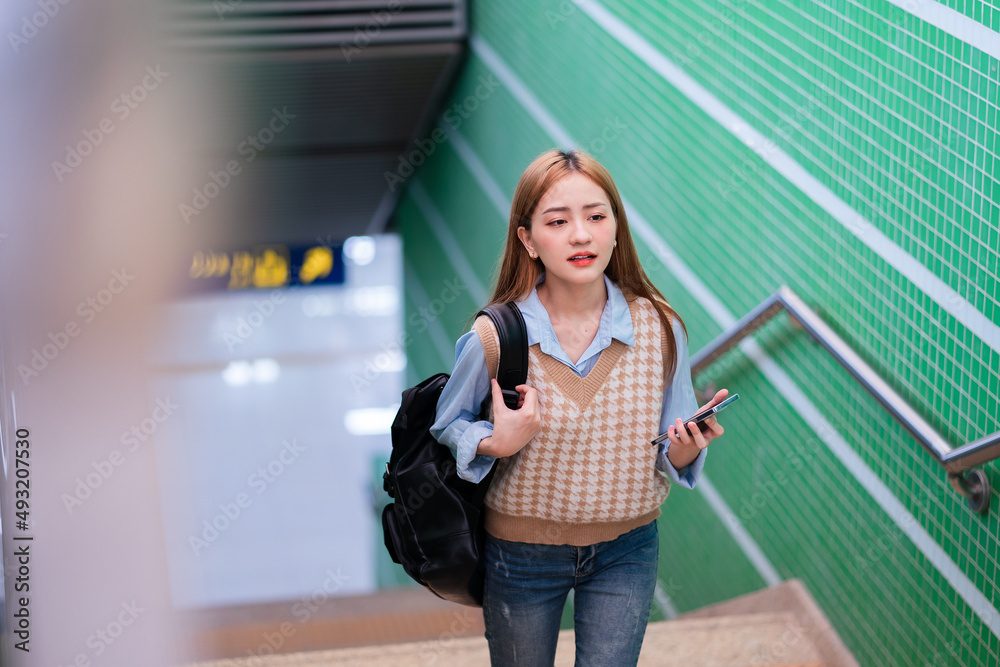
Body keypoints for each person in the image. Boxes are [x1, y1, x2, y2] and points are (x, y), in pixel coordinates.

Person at [429, 148, 728, 666]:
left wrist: (683, 450)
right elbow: (447, 423)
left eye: (596, 216)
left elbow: (667, 447)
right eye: (558, 221)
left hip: (628, 549)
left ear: (617, 228)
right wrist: (495, 441)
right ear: (528, 239)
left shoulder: (660, 328)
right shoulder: (496, 338)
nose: (581, 235)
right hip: (520, 556)